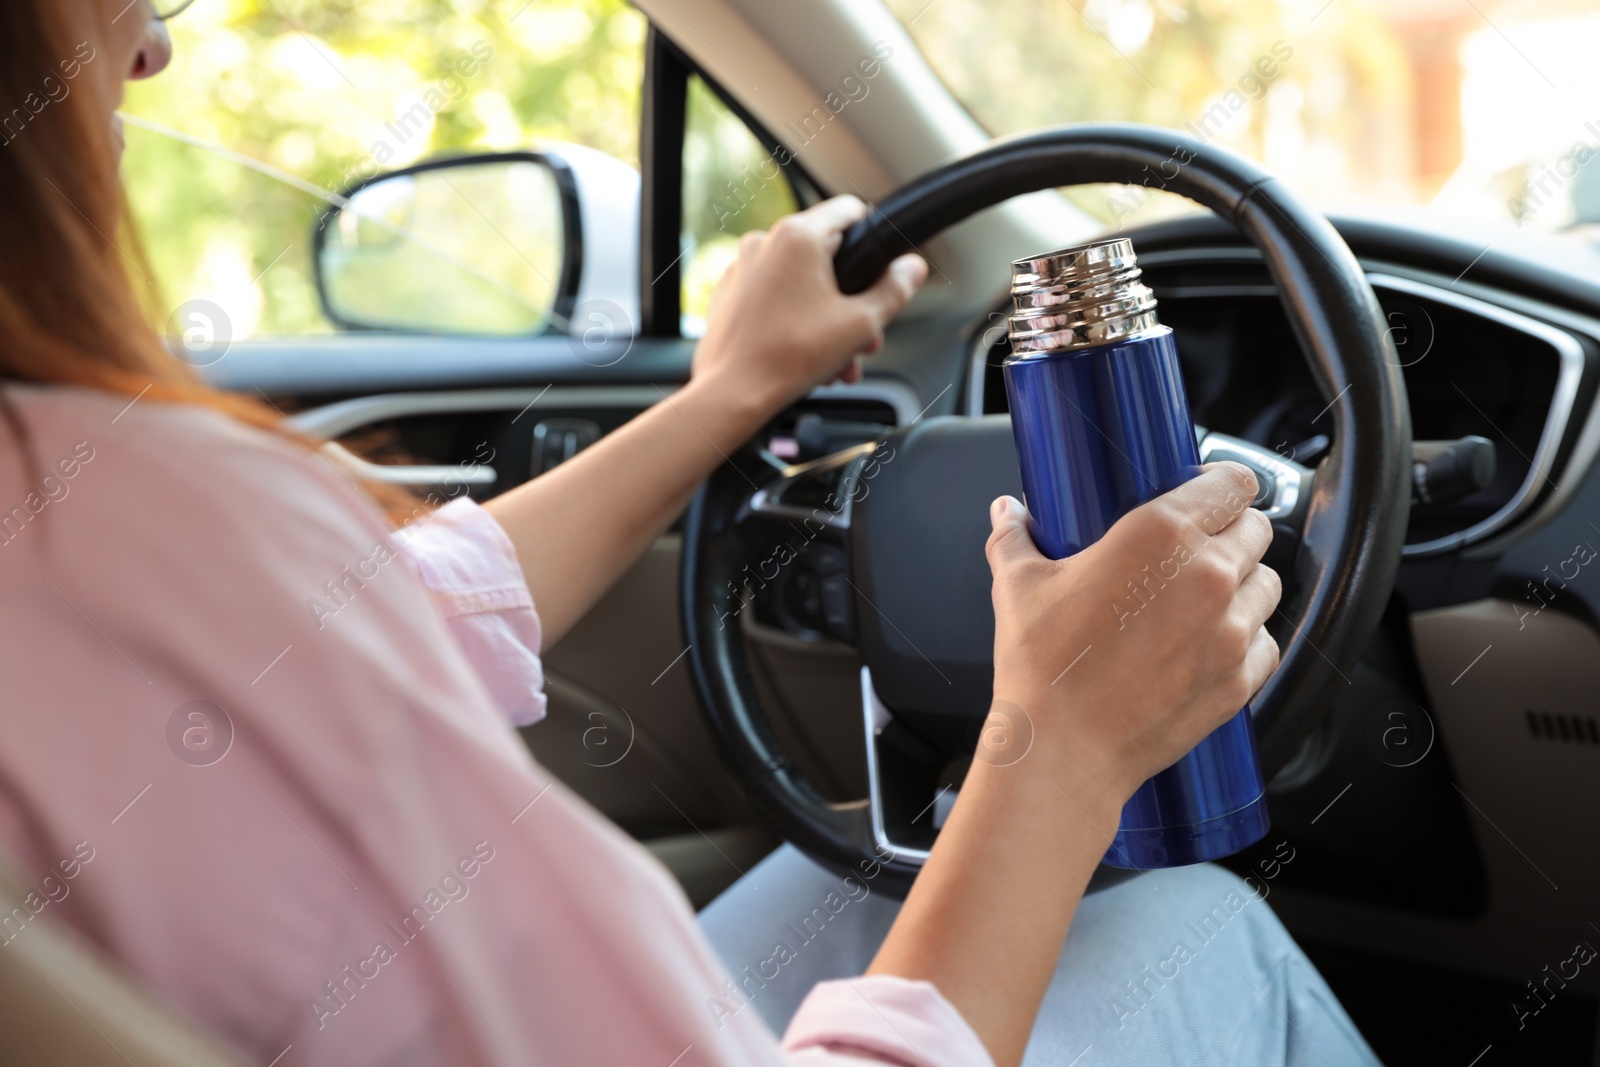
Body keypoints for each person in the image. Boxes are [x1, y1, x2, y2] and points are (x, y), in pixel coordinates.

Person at [0, 2, 1379, 1065]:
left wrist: (729, 396)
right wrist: (1061, 745)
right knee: (1197, 928)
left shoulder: (96, 535)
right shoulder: (107, 514)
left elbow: (375, 620)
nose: (155, 48)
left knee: (850, 892)